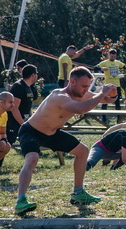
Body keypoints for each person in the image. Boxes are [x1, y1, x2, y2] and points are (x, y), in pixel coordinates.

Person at [14, 67, 117, 215]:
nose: (86, 90)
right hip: (32, 131)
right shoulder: (59, 96)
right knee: (32, 158)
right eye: (83, 86)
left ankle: (78, 192)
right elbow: (81, 109)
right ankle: (21, 200)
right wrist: (102, 93)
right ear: (72, 81)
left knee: (82, 151)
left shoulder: (82, 93)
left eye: (88, 86)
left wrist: (113, 93)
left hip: (52, 133)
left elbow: (107, 100)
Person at [7, 65, 39, 147]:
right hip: (13, 123)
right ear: (33, 75)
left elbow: (27, 105)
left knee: (30, 144)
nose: (37, 76)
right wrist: (23, 124)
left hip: (23, 121)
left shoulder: (28, 87)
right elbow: (14, 108)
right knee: (6, 145)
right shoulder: (19, 86)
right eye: (36, 74)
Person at [97, 49, 125, 120]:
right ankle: (104, 119)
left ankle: (119, 119)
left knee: (117, 103)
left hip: (117, 85)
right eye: (111, 56)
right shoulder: (105, 62)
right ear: (108, 55)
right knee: (105, 102)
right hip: (108, 86)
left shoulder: (117, 63)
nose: (113, 57)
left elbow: (124, 66)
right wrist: (101, 69)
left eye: (114, 56)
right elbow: (96, 67)